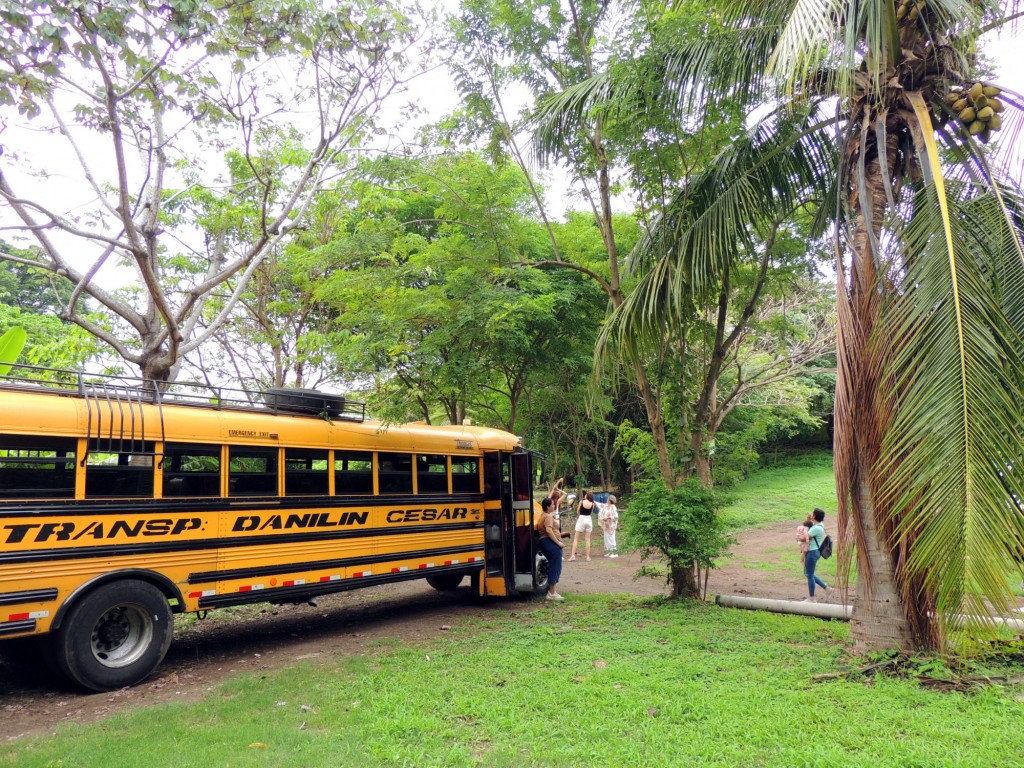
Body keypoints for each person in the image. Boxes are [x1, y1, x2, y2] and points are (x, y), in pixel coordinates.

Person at [536, 497, 565, 600]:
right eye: (552, 504)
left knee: (553, 565)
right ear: (548, 507)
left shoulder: (542, 515)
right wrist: (558, 542)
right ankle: (552, 592)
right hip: (550, 543)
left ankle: (553, 591)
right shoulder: (548, 516)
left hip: (545, 542)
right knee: (555, 566)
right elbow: (548, 530)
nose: (554, 506)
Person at [804, 508, 831, 602]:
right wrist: (809, 520)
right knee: (808, 573)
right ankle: (827, 588)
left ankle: (812, 598)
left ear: (815, 516)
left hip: (812, 552)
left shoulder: (816, 528)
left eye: (812, 514)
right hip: (815, 551)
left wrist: (798, 536)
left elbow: (804, 537)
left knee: (809, 574)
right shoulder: (819, 525)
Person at [568, 491, 597, 561]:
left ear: (587, 496)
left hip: (581, 519)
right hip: (588, 520)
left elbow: (578, 511)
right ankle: (588, 557)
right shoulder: (593, 504)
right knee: (587, 539)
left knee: (576, 539)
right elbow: (591, 512)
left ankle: (573, 555)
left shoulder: (582, 502)